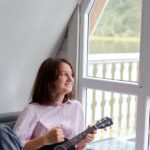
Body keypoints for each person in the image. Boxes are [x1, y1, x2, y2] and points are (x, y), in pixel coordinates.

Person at [12, 57, 95, 150]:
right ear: (49, 79)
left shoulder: (76, 107)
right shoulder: (31, 110)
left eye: (71, 74)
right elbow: (14, 146)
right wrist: (45, 139)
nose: (71, 79)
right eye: (64, 74)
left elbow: (75, 147)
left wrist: (83, 141)